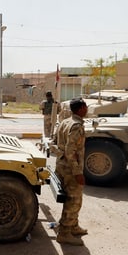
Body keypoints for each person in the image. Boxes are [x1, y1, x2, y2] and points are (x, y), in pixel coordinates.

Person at [52, 97, 88, 246]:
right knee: (74, 200)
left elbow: (54, 142)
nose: (87, 109)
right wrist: (77, 172)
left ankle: (73, 225)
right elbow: (70, 150)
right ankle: (65, 233)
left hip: (61, 165)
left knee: (71, 198)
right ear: (80, 109)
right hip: (70, 169)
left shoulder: (65, 122)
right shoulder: (76, 125)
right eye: (85, 106)